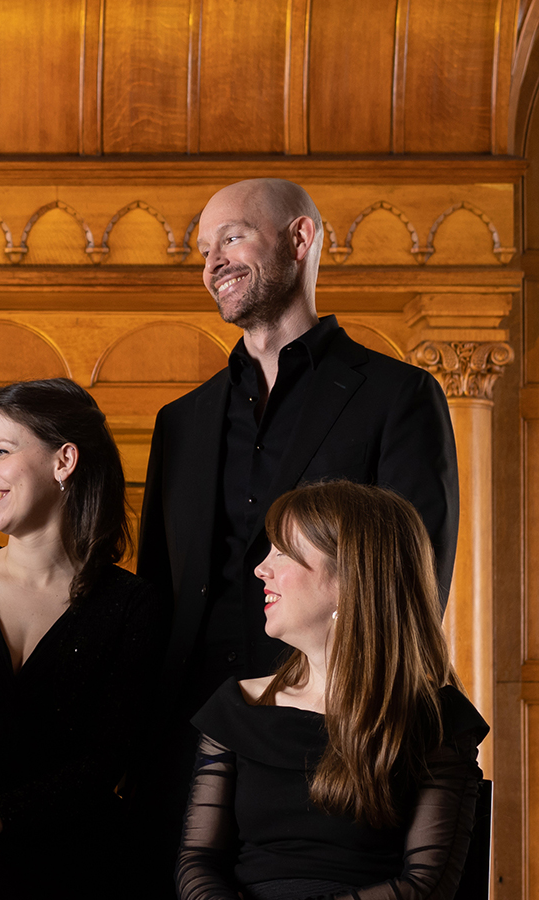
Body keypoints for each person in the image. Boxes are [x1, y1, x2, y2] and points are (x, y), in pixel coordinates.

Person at [135, 178, 460, 883]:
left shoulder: (398, 397)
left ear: (301, 239)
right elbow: (158, 591)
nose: (212, 262)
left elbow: (412, 580)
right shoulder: (181, 421)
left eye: (231, 237)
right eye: (201, 250)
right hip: (189, 740)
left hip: (337, 741)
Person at [0, 379, 166, 899]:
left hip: (76, 864)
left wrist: (0, 814)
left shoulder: (132, 604)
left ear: (63, 461)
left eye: (1, 451)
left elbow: (108, 757)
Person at [177, 481, 488, 900]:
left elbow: (426, 886)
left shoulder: (437, 720)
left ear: (350, 578)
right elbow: (197, 862)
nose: (260, 569)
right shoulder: (236, 707)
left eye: (282, 552)